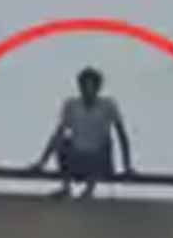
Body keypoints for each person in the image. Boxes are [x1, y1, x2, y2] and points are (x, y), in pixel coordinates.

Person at [31, 67, 134, 199]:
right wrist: (41, 163)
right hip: (77, 157)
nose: (88, 90)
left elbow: (121, 135)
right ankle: (66, 187)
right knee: (62, 141)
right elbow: (58, 134)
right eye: (85, 86)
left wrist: (127, 166)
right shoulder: (71, 105)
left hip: (98, 159)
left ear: (98, 88)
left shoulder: (108, 105)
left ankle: (89, 190)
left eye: (92, 86)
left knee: (107, 140)